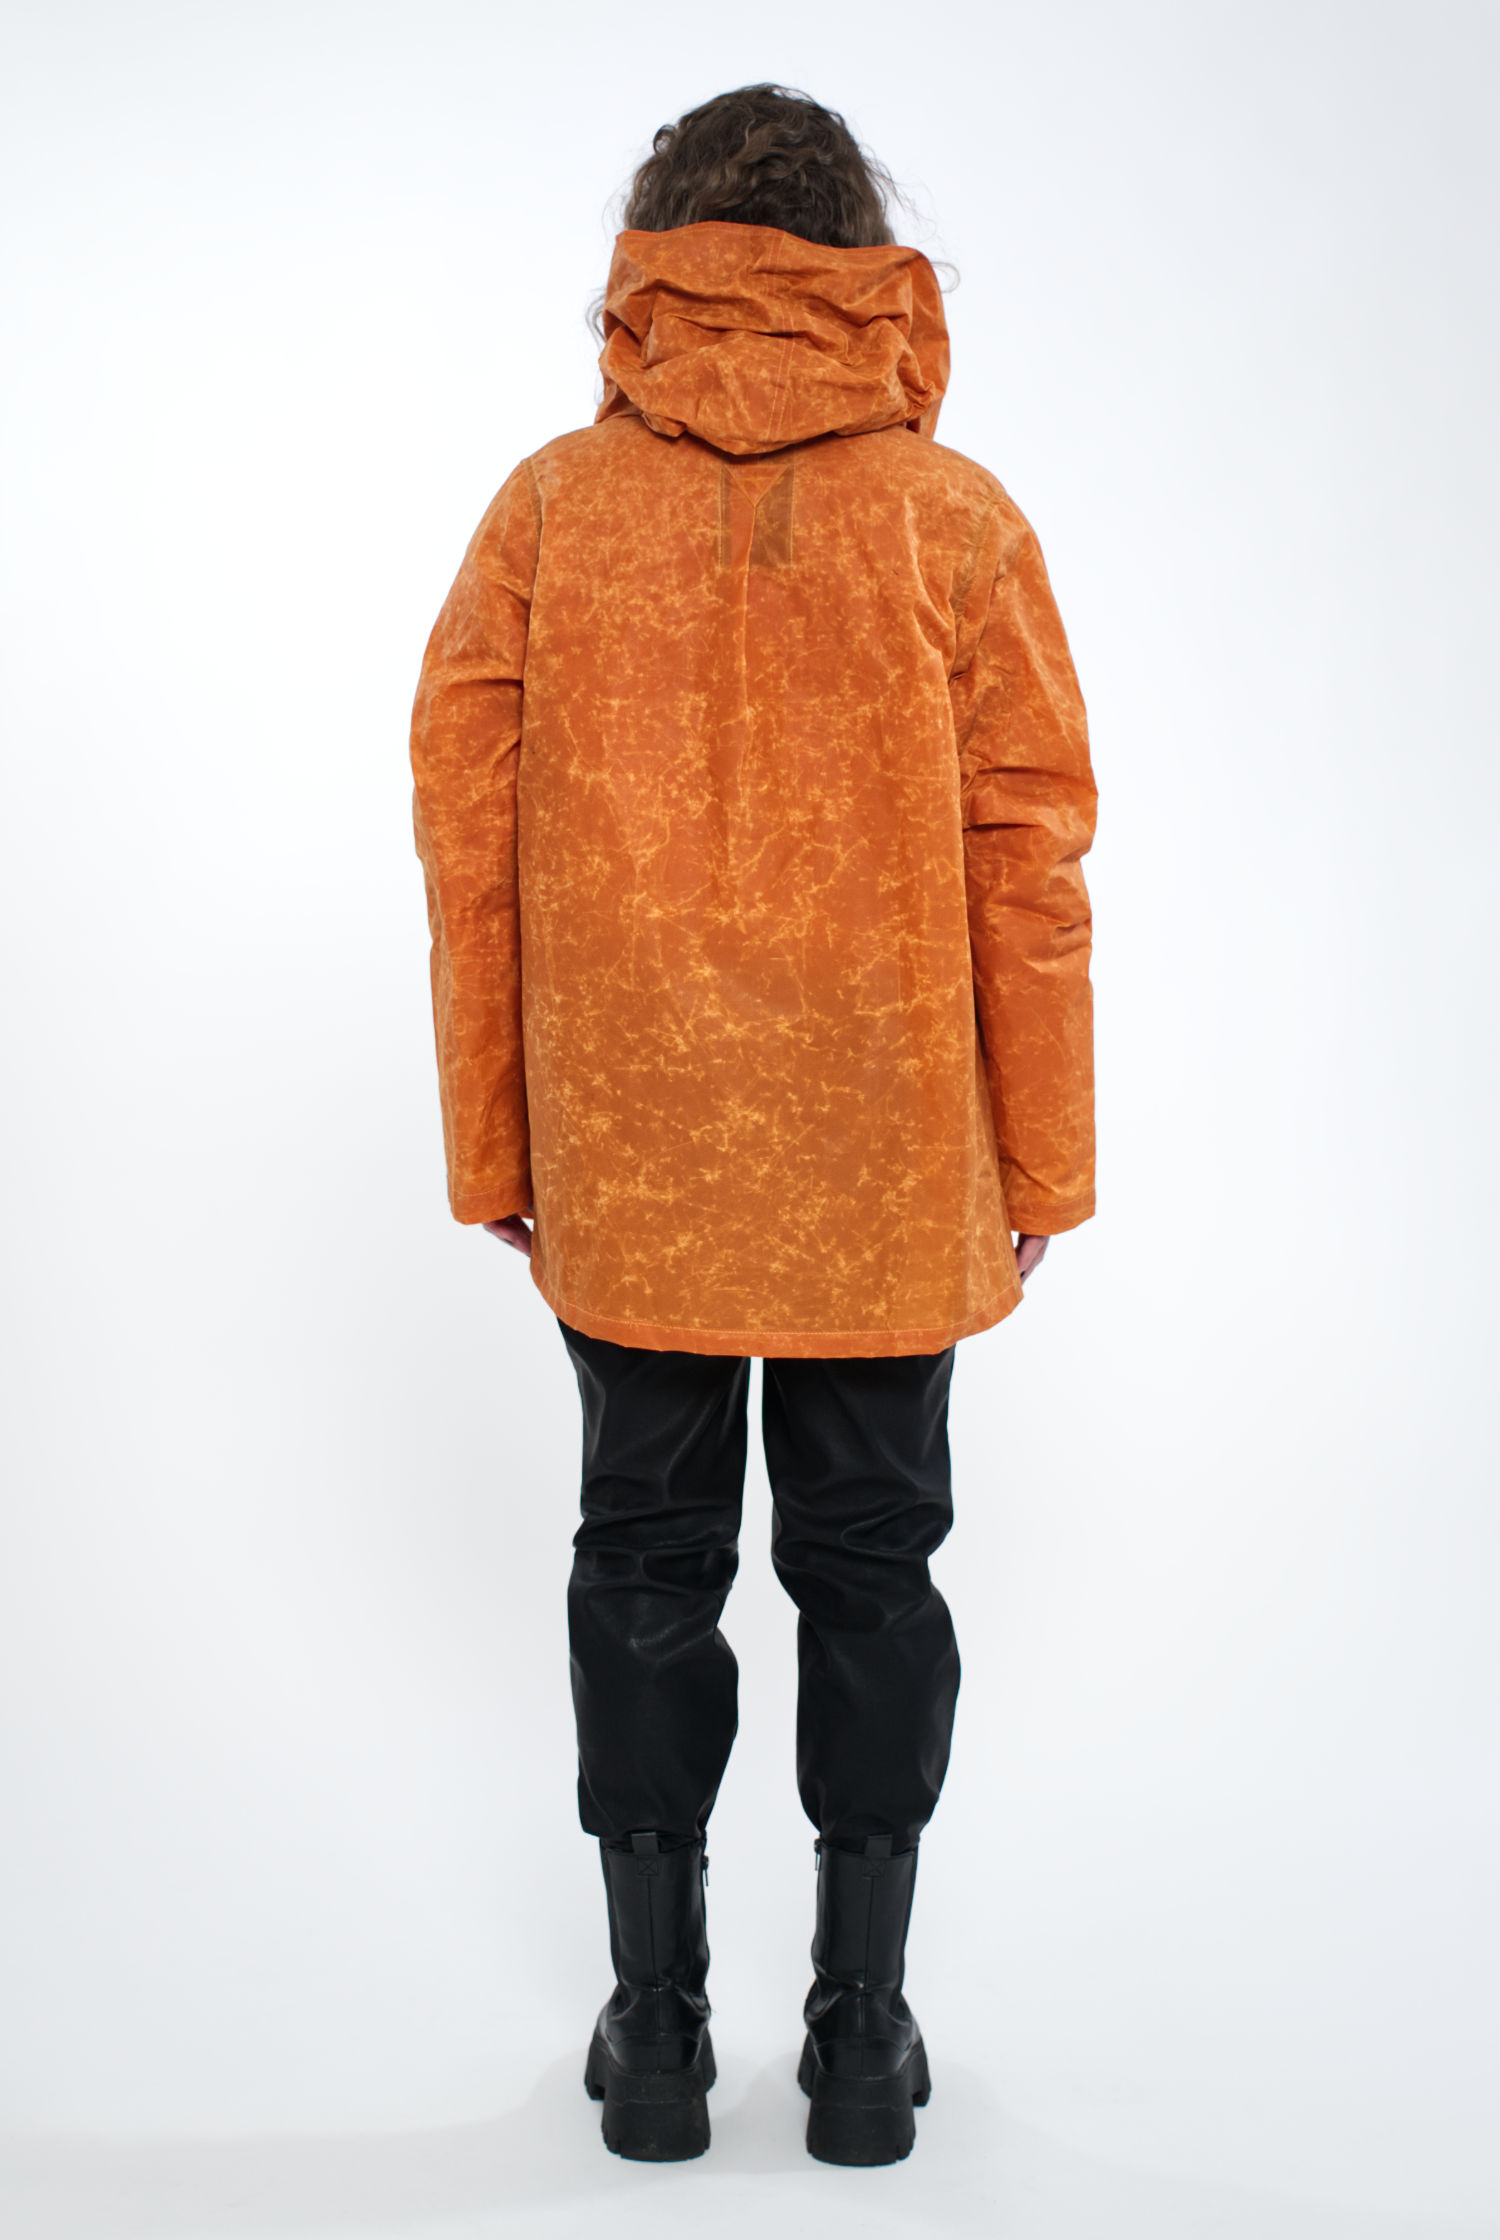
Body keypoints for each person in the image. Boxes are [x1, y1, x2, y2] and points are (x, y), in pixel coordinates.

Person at [408, 82, 1096, 2168]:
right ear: (866, 262)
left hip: (633, 1138)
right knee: (873, 1564)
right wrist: (1041, 1156)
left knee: (644, 1550)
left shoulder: (550, 511)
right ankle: (863, 2040)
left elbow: (465, 837)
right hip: (887, 1136)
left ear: (655, 262)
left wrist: (499, 1134)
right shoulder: (955, 520)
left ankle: (655, 2032)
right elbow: (1031, 854)